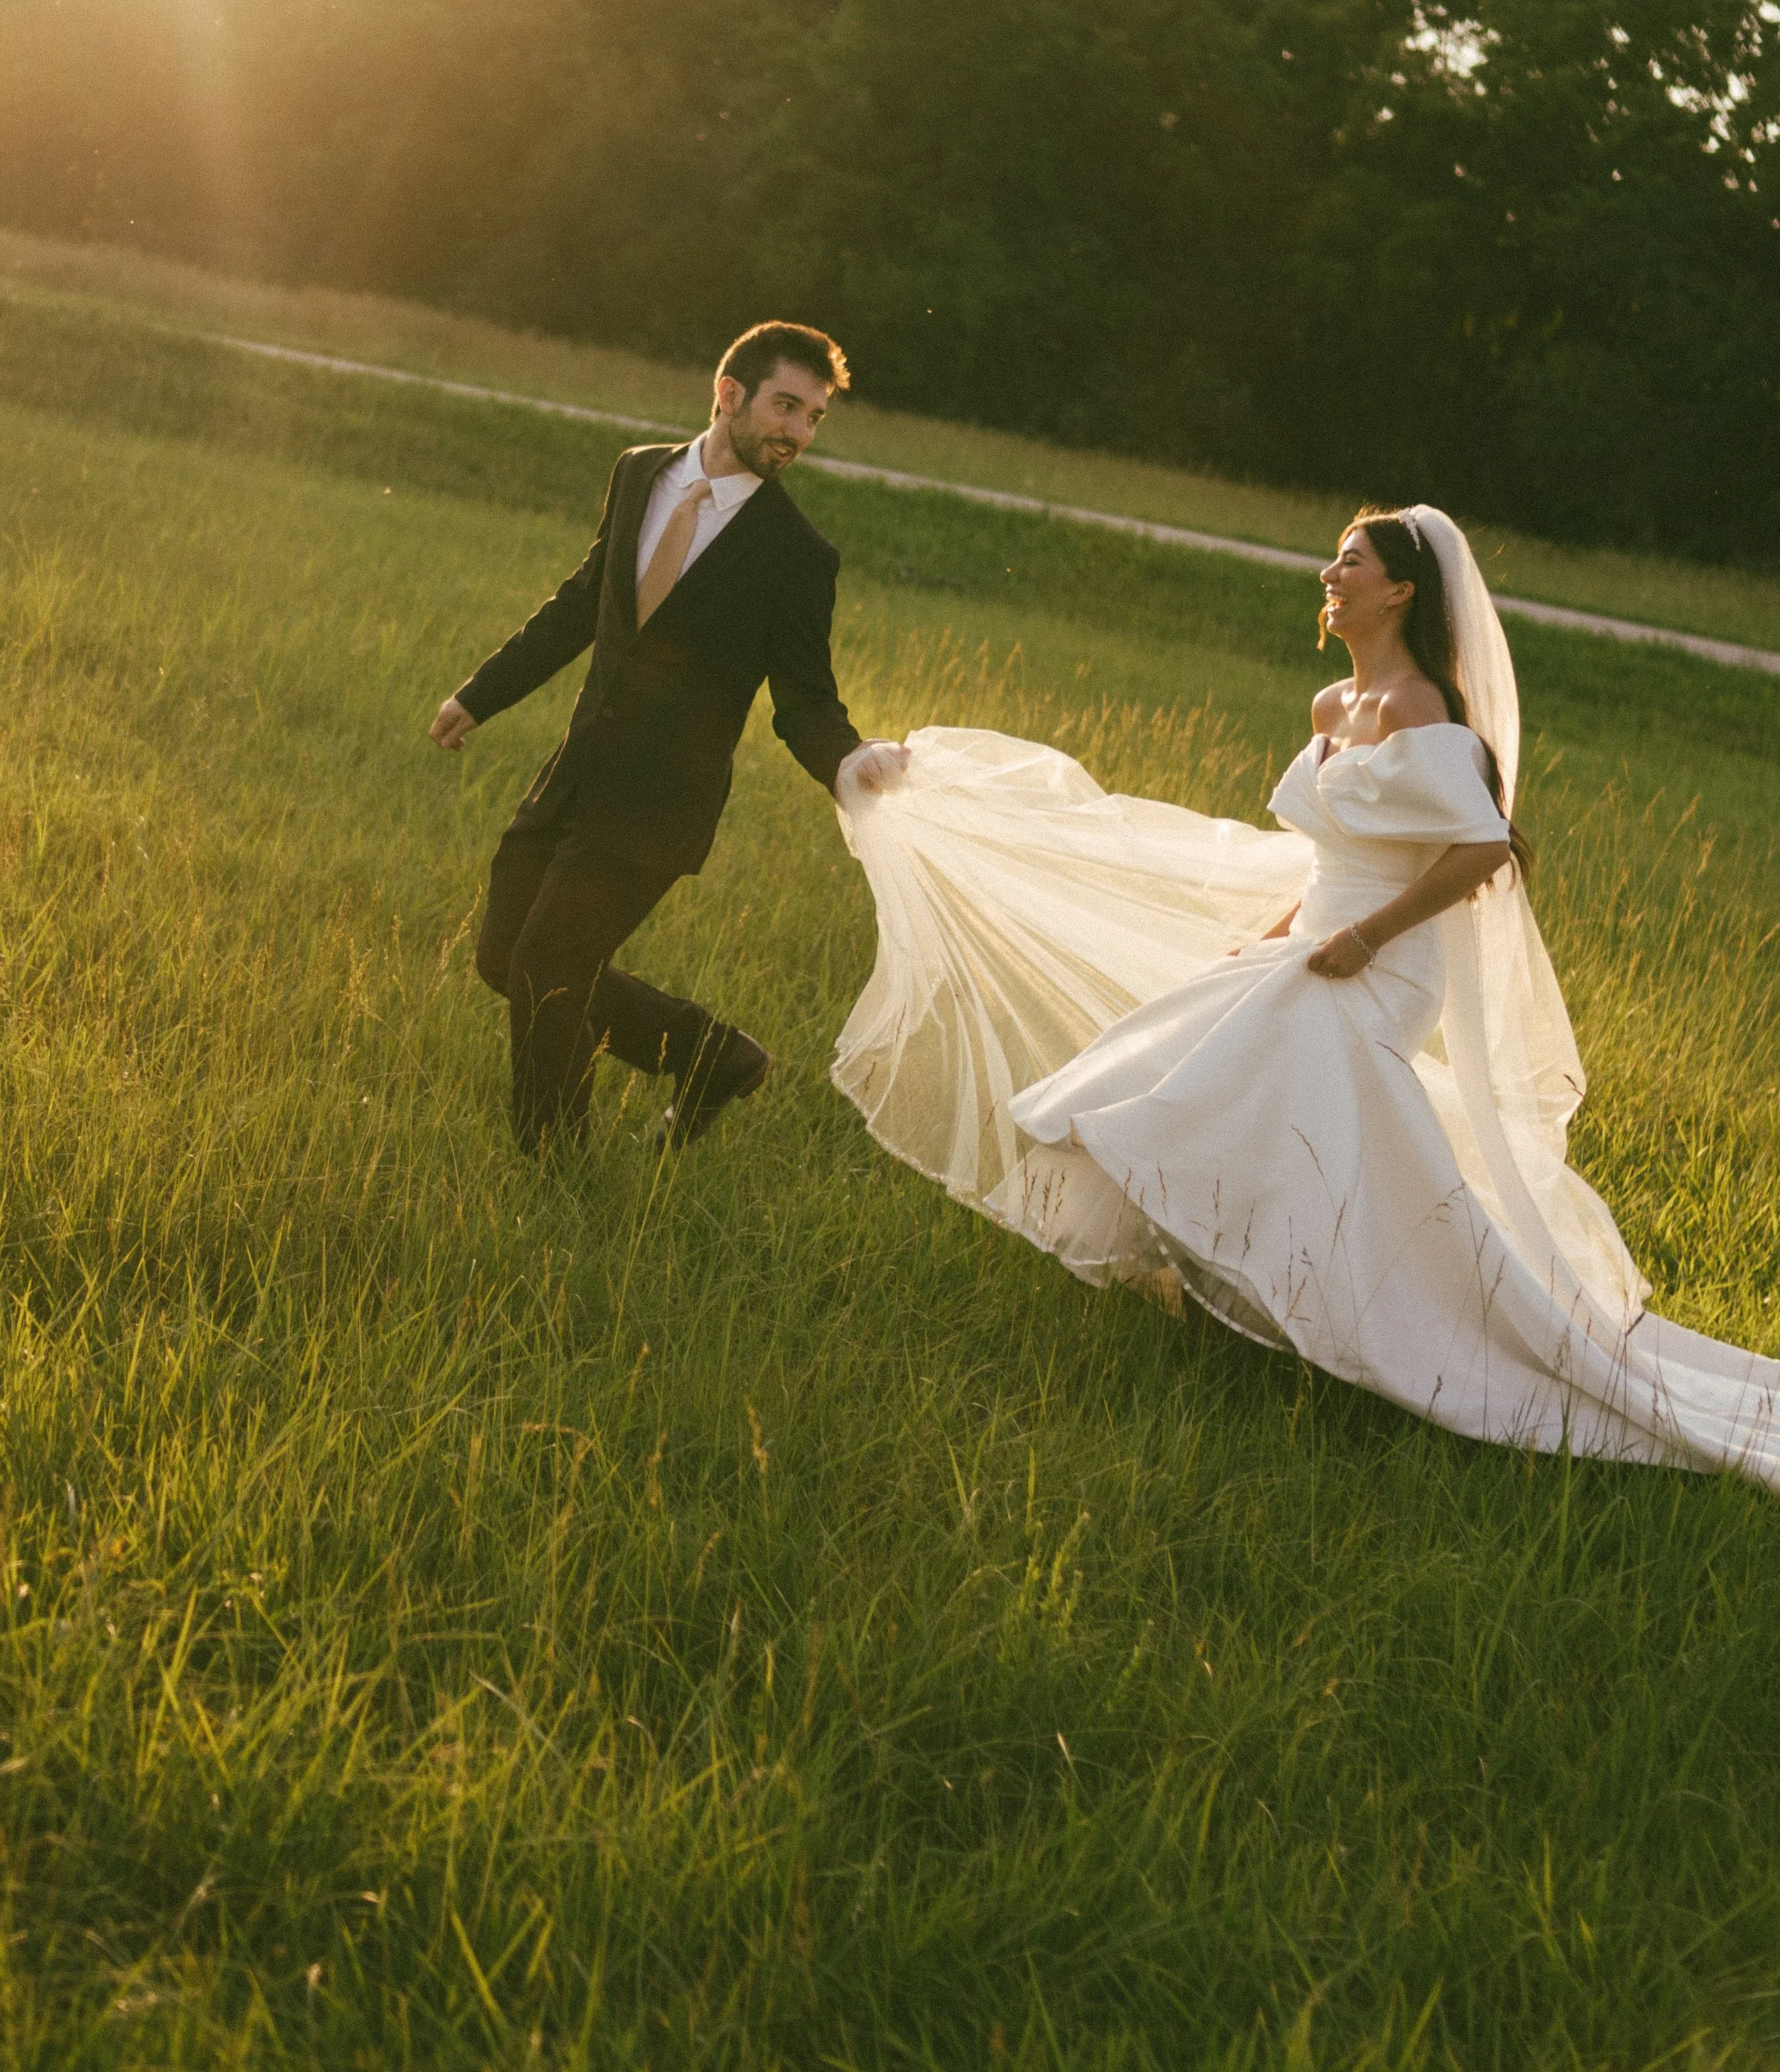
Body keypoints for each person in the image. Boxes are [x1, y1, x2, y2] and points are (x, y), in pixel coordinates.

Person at [831, 506, 1780, 1492]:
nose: (1330, 574)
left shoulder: (1421, 711)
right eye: (1335, 559)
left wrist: (1366, 936)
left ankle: (1355, 1314)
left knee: (1217, 1075)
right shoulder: (1334, 706)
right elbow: (1338, 851)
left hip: (1386, 962)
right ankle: (1235, 1300)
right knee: (1184, 1062)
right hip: (1319, 941)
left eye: (1351, 562)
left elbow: (1485, 849)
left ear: (1401, 589)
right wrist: (1285, 931)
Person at [432, 322, 907, 1151]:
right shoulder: (639, 472)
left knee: (547, 973)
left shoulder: (796, 556)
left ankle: (553, 1168)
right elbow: (584, 601)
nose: (797, 431)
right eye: (785, 406)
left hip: (659, 804)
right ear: (729, 394)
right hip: (574, 772)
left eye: (814, 418)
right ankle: (712, 1057)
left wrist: (849, 759)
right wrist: (481, 693)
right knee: (503, 961)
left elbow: (803, 700)